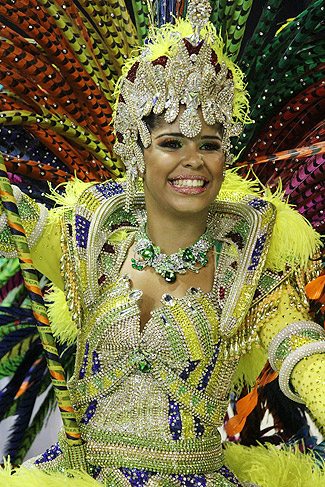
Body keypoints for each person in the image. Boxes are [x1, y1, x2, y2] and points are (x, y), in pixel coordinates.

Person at [0, 3, 324, 487]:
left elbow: (299, 349)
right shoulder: (91, 236)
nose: (194, 161)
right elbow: (16, 220)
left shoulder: (248, 256)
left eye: (210, 145)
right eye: (172, 142)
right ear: (138, 151)